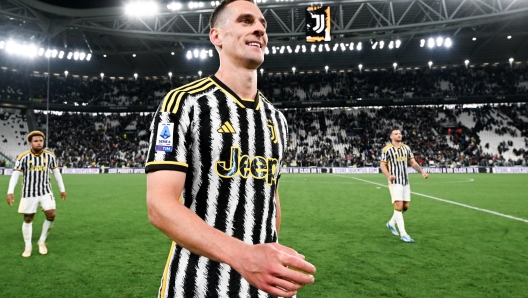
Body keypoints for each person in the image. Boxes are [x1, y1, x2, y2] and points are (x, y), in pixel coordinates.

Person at [145, 1, 315, 297]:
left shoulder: (277, 120)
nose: (260, 29)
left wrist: (269, 258)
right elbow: (160, 206)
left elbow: (269, 197)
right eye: (246, 21)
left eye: (262, 24)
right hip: (196, 285)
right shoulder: (182, 104)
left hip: (261, 287)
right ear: (216, 37)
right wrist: (244, 256)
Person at [6, 131, 67, 257]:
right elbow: (15, 175)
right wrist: (10, 192)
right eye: (36, 141)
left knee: (51, 214)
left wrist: (62, 189)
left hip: (45, 191)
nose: (39, 143)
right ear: (30, 143)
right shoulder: (23, 157)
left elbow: (56, 173)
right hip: (29, 192)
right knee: (28, 218)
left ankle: (42, 241)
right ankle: (28, 246)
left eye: (41, 140)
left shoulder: (50, 156)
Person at [380, 129, 429, 243]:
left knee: (405, 207)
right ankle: (403, 234)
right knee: (398, 205)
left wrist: (422, 172)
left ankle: (391, 223)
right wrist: (389, 175)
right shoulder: (387, 149)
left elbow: (413, 163)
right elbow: (382, 166)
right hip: (394, 181)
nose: (399, 135)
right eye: (396, 134)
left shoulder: (406, 148)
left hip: (405, 181)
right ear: (391, 136)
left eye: (400, 133)